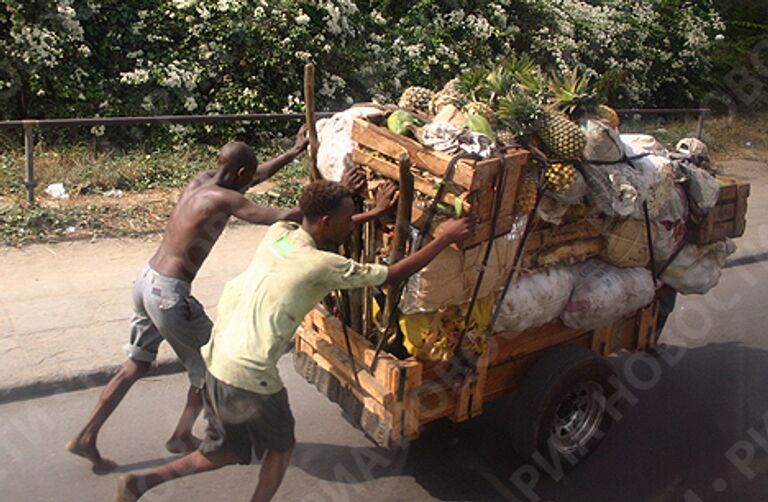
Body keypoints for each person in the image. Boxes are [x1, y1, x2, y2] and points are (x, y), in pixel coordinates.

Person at [113, 179, 476, 501]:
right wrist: (444, 238)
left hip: (217, 357)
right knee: (281, 448)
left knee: (223, 452)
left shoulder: (281, 234)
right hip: (251, 373)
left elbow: (324, 227)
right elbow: (392, 275)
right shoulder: (323, 265)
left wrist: (375, 212)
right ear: (325, 223)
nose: (352, 224)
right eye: (348, 219)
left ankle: (139, 484)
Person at [67, 128, 309, 472]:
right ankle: (188, 436)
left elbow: (255, 174)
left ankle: (86, 436)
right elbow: (277, 216)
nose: (250, 179)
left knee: (134, 365)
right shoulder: (226, 200)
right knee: (214, 364)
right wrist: (325, 203)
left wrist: (293, 152)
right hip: (170, 295)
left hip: (147, 281)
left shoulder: (204, 181)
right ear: (238, 174)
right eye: (247, 175)